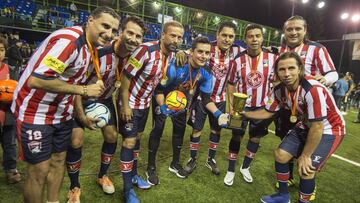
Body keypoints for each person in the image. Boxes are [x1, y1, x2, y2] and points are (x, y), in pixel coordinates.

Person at [10, 6, 120, 203]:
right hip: (35, 110)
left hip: (62, 112)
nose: (109, 34)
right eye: (105, 26)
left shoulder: (91, 47)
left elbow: (73, 80)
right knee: (40, 170)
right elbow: (37, 80)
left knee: (59, 161)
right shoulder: (69, 41)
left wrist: (79, 114)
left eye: (113, 30)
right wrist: (84, 91)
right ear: (90, 21)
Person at [242, 52, 345, 203]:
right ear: (276, 72)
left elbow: (317, 126)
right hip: (306, 124)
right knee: (280, 155)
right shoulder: (279, 90)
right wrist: (244, 114)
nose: (287, 73)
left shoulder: (312, 88)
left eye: (291, 68)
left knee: (306, 169)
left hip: (329, 129)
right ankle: (283, 196)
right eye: (281, 69)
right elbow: (268, 111)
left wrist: (305, 155)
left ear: (300, 69)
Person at [65, 16, 146, 203]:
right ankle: (74, 186)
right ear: (120, 33)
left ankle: (102, 175)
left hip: (105, 99)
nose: (133, 39)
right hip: (80, 98)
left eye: (138, 36)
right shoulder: (99, 53)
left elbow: (162, 45)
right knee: (76, 141)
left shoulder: (135, 56)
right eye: (130, 33)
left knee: (111, 136)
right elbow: (76, 83)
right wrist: (80, 114)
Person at [146, 36, 228, 185]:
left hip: (182, 101)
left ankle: (175, 163)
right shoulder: (177, 65)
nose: (203, 56)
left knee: (179, 131)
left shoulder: (206, 72)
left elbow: (206, 99)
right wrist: (163, 107)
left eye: (207, 53)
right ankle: (150, 167)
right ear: (191, 51)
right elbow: (158, 89)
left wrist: (219, 114)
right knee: (158, 129)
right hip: (163, 98)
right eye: (200, 52)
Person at [117, 20, 184, 203]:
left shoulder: (169, 55)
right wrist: (125, 105)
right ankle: (128, 190)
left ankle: (134, 175)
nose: (176, 40)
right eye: (172, 35)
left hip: (145, 104)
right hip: (130, 102)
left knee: (137, 140)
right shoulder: (145, 51)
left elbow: (159, 83)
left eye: (179, 37)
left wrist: (162, 105)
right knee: (129, 142)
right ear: (162, 35)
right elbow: (125, 77)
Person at [275, 16, 339, 197]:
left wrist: (325, 79)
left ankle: (307, 181)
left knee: (307, 155)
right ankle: (288, 178)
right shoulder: (282, 50)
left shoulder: (317, 49)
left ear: (305, 31)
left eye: (297, 29)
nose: (293, 32)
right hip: (292, 106)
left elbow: (333, 72)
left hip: (313, 106)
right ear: (284, 31)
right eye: (289, 29)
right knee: (284, 145)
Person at [182, 21, 245, 176]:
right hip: (201, 98)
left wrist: (272, 49)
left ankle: (211, 159)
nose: (227, 39)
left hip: (221, 98)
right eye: (224, 35)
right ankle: (192, 159)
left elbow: (255, 49)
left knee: (216, 130)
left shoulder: (237, 50)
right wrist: (182, 53)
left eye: (231, 36)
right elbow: (189, 52)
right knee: (197, 130)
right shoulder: (208, 47)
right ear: (217, 34)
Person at [224, 24, 276, 186]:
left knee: (255, 137)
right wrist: (232, 107)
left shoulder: (273, 59)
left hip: (262, 108)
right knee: (236, 136)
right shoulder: (237, 60)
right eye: (250, 36)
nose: (254, 39)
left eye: (258, 36)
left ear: (262, 38)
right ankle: (231, 169)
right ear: (245, 38)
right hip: (241, 107)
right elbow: (231, 84)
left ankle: (245, 167)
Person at [0, 37, 21, 184]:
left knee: (10, 145)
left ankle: (11, 170)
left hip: (7, 116)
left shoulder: (10, 70)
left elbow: (18, 91)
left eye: (1, 50)